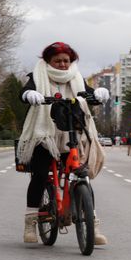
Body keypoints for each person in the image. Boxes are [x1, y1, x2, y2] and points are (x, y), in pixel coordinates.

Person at [16, 41, 111, 245]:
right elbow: (25, 92)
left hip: (71, 132)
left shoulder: (76, 77)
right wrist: (29, 94)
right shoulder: (37, 76)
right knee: (40, 175)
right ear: (48, 61)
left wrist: (98, 95)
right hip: (45, 134)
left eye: (66, 61)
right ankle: (30, 225)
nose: (62, 64)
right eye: (57, 61)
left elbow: (88, 95)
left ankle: (92, 227)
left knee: (82, 176)